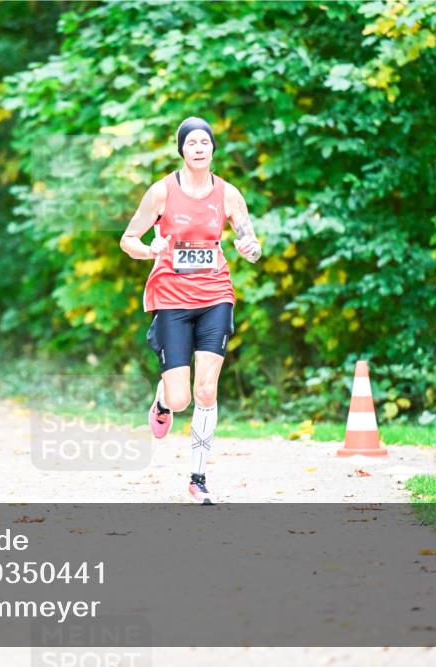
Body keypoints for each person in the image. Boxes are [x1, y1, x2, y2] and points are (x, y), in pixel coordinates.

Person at [119, 117, 262, 505]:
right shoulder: (161, 192)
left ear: (213, 148)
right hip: (171, 296)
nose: (199, 147)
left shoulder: (229, 194)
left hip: (215, 295)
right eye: (191, 142)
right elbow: (127, 239)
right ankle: (163, 401)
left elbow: (250, 239)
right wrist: (150, 249)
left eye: (205, 141)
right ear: (182, 149)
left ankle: (198, 478)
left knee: (205, 389)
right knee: (180, 398)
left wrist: (250, 248)